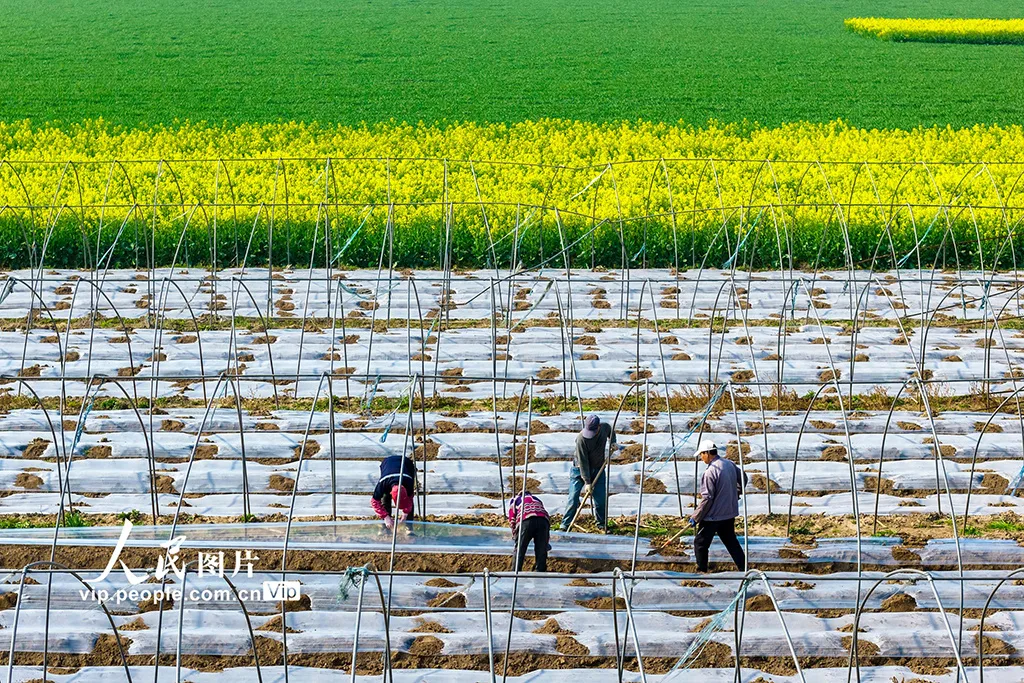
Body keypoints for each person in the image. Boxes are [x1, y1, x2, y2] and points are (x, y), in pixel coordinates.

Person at [690, 439, 747, 572]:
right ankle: (744, 568)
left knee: (701, 543)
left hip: (713, 517)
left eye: (701, 455)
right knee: (731, 542)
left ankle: (701, 570)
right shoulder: (729, 464)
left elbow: (707, 498)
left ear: (707, 453)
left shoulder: (710, 472)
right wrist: (736, 493)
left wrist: (696, 517)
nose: (701, 457)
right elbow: (743, 478)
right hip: (728, 513)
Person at [562, 414, 616, 531]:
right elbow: (583, 462)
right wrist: (587, 482)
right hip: (579, 470)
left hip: (598, 469)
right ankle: (565, 524)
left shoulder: (604, 428)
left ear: (598, 427)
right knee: (573, 498)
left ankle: (601, 524)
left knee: (600, 499)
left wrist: (613, 442)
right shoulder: (581, 439)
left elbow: (610, 431)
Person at [371, 454, 416, 530]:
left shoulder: (409, 482)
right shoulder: (383, 483)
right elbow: (374, 502)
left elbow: (410, 499)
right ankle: (385, 527)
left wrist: (405, 515)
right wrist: (385, 517)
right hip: (387, 463)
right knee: (385, 497)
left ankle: (409, 527)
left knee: (409, 501)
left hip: (406, 464)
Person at [508, 491, 551, 572]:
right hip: (543, 521)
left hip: (526, 520)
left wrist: (515, 535)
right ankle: (540, 571)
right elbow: (544, 514)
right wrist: (546, 542)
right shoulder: (537, 499)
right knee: (541, 550)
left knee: (520, 548)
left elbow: (512, 519)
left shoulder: (515, 500)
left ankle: (515, 572)